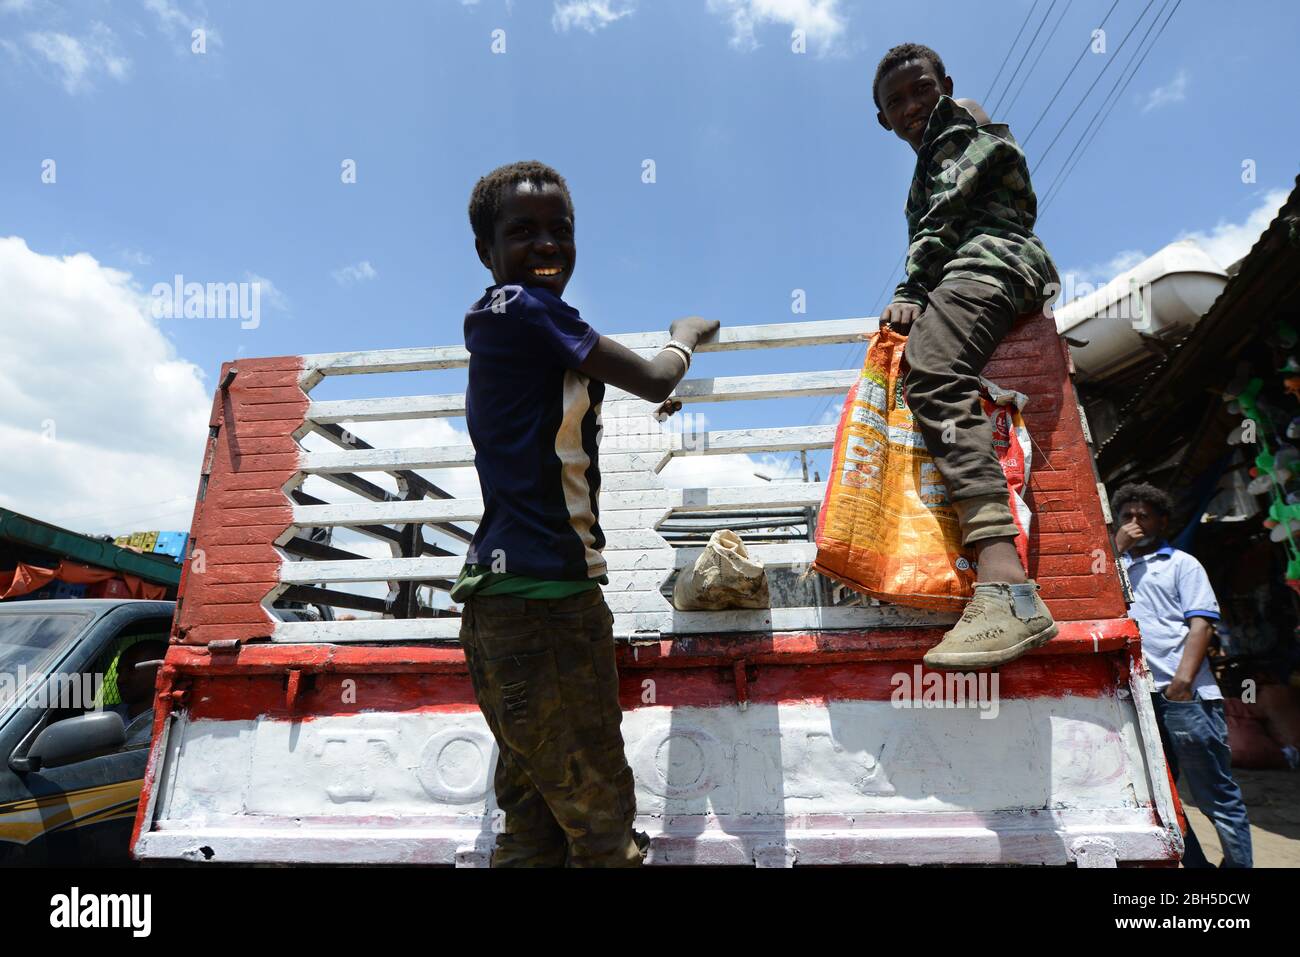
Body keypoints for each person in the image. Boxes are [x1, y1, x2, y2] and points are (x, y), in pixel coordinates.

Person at [451, 160, 718, 867]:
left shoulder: (507, 326)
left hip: (505, 607)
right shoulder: (529, 311)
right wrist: (684, 333)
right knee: (603, 830)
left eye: (560, 230)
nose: (547, 244)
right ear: (488, 252)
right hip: (546, 605)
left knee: (533, 822)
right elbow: (657, 372)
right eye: (523, 231)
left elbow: (564, 414)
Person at [872, 42, 1062, 669]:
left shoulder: (960, 124)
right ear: (883, 120)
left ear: (945, 85)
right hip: (978, 263)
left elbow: (945, 215)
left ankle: (1005, 584)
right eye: (895, 102)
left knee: (931, 371)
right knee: (926, 373)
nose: (912, 106)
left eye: (921, 89)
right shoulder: (934, 148)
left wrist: (909, 290)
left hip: (990, 259)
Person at [1113, 482, 1253, 868]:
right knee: (1163, 795)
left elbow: (1202, 625)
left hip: (1185, 697)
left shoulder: (1181, 564)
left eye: (1144, 516)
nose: (1135, 523)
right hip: (1140, 699)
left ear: (1163, 521)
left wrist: (1182, 683)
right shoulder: (1113, 567)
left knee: (1214, 794)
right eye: (1127, 516)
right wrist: (1116, 547)